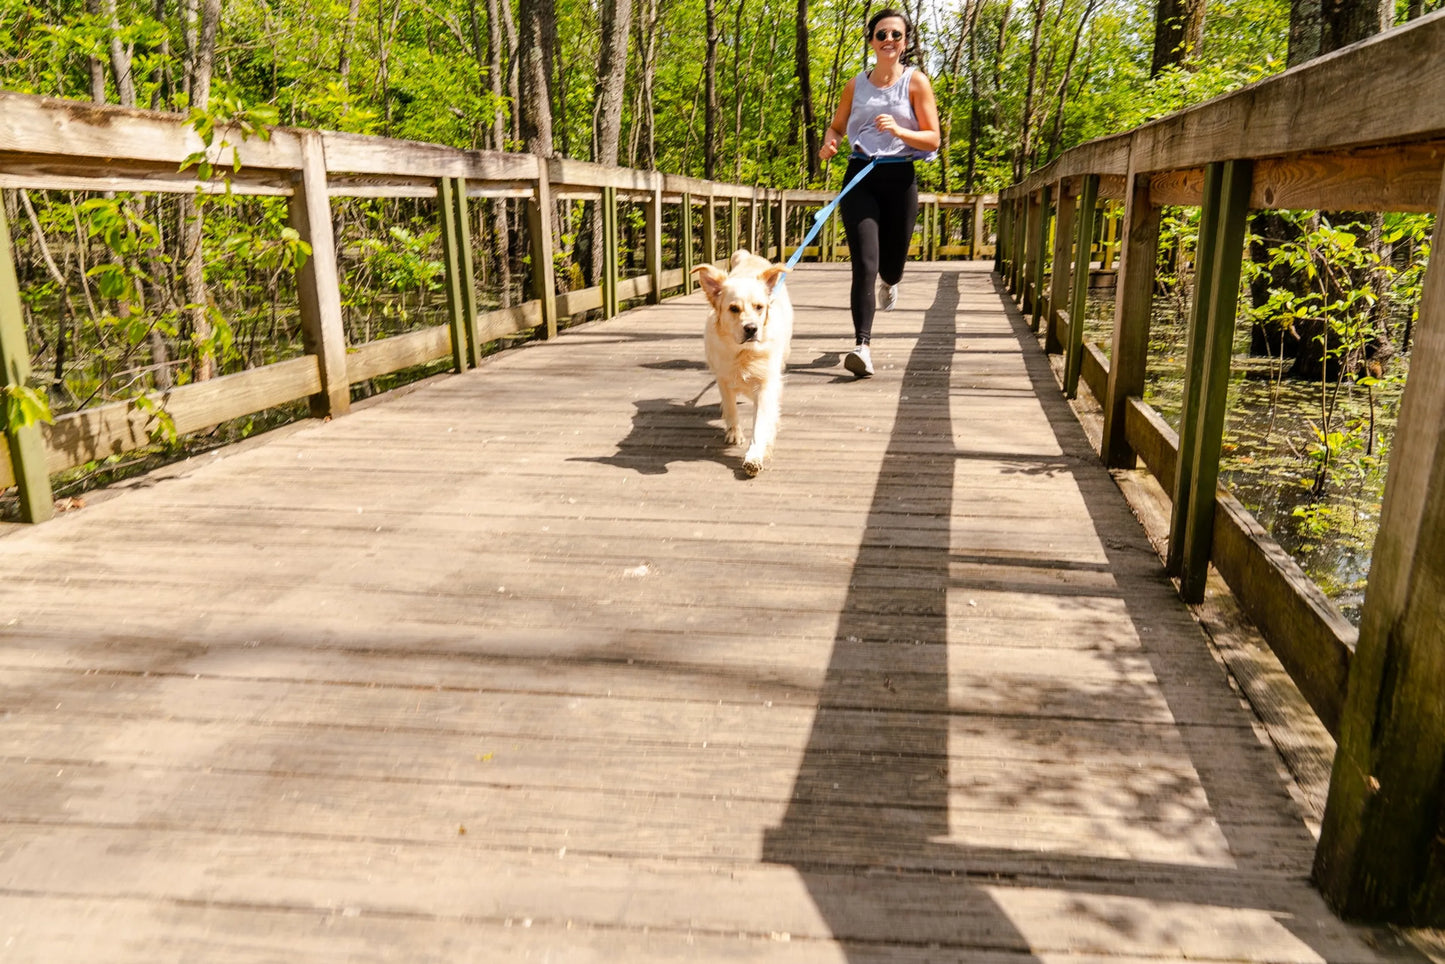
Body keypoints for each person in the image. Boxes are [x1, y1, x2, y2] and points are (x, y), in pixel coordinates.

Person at [818, 8, 940, 378]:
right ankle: (862, 346)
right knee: (864, 265)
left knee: (891, 265)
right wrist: (830, 144)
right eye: (882, 34)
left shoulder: (916, 83)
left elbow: (933, 137)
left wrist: (901, 132)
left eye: (897, 35)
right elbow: (836, 127)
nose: (889, 40)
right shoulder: (855, 85)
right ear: (871, 40)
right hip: (861, 175)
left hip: (900, 178)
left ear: (905, 43)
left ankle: (892, 281)